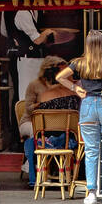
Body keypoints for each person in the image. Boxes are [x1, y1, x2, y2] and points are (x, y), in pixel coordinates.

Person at [57, 29, 102, 204]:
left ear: (87, 45)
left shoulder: (79, 63)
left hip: (87, 105)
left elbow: (60, 77)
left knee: (91, 151)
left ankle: (91, 192)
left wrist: (75, 89)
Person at [23, 58, 80, 188]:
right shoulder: (76, 93)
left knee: (34, 140)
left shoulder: (48, 95)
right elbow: (29, 109)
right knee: (36, 134)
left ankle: (36, 175)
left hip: (47, 131)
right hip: (66, 135)